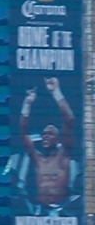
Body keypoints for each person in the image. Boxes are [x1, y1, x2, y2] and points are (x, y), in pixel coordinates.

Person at [18, 77, 76, 209]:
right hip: (40, 208)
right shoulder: (38, 158)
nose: (45, 136)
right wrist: (27, 104)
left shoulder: (64, 154)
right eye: (44, 134)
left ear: (57, 138)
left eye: (50, 134)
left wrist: (56, 92)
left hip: (63, 207)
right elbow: (22, 132)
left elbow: (69, 120)